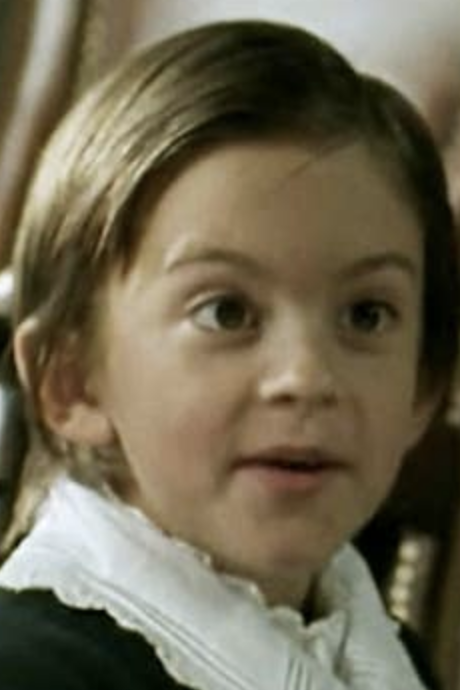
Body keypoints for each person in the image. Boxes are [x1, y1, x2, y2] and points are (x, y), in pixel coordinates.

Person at [0, 19, 457, 690]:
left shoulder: (388, 660)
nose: (306, 376)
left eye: (366, 315)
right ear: (72, 382)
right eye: (227, 313)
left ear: (422, 386)